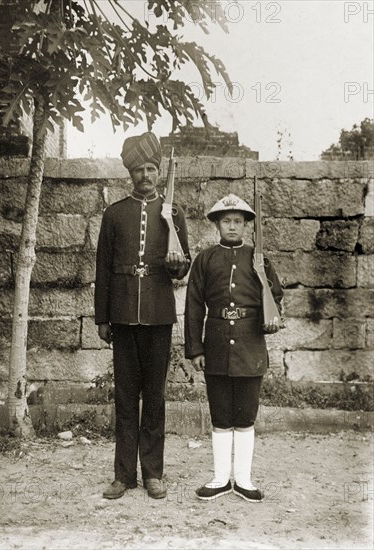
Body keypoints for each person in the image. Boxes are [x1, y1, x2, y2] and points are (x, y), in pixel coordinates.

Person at [94, 132, 191, 500]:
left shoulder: (173, 213)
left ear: (159, 170)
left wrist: (178, 266)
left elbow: (185, 266)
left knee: (154, 397)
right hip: (121, 315)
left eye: (152, 168)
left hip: (159, 316)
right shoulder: (114, 213)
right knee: (124, 397)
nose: (146, 175)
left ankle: (153, 473)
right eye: (139, 170)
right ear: (130, 173)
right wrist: (102, 317)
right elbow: (103, 267)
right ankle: (123, 475)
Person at [184, 193, 283, 502]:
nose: (231, 226)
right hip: (215, 347)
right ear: (217, 225)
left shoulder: (259, 259)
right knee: (220, 415)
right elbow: (193, 306)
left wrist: (271, 317)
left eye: (238, 221)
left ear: (246, 226)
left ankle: (243, 479)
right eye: (226, 221)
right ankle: (219, 478)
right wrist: (195, 349)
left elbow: (275, 297)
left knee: (245, 415)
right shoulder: (206, 259)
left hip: (250, 346)